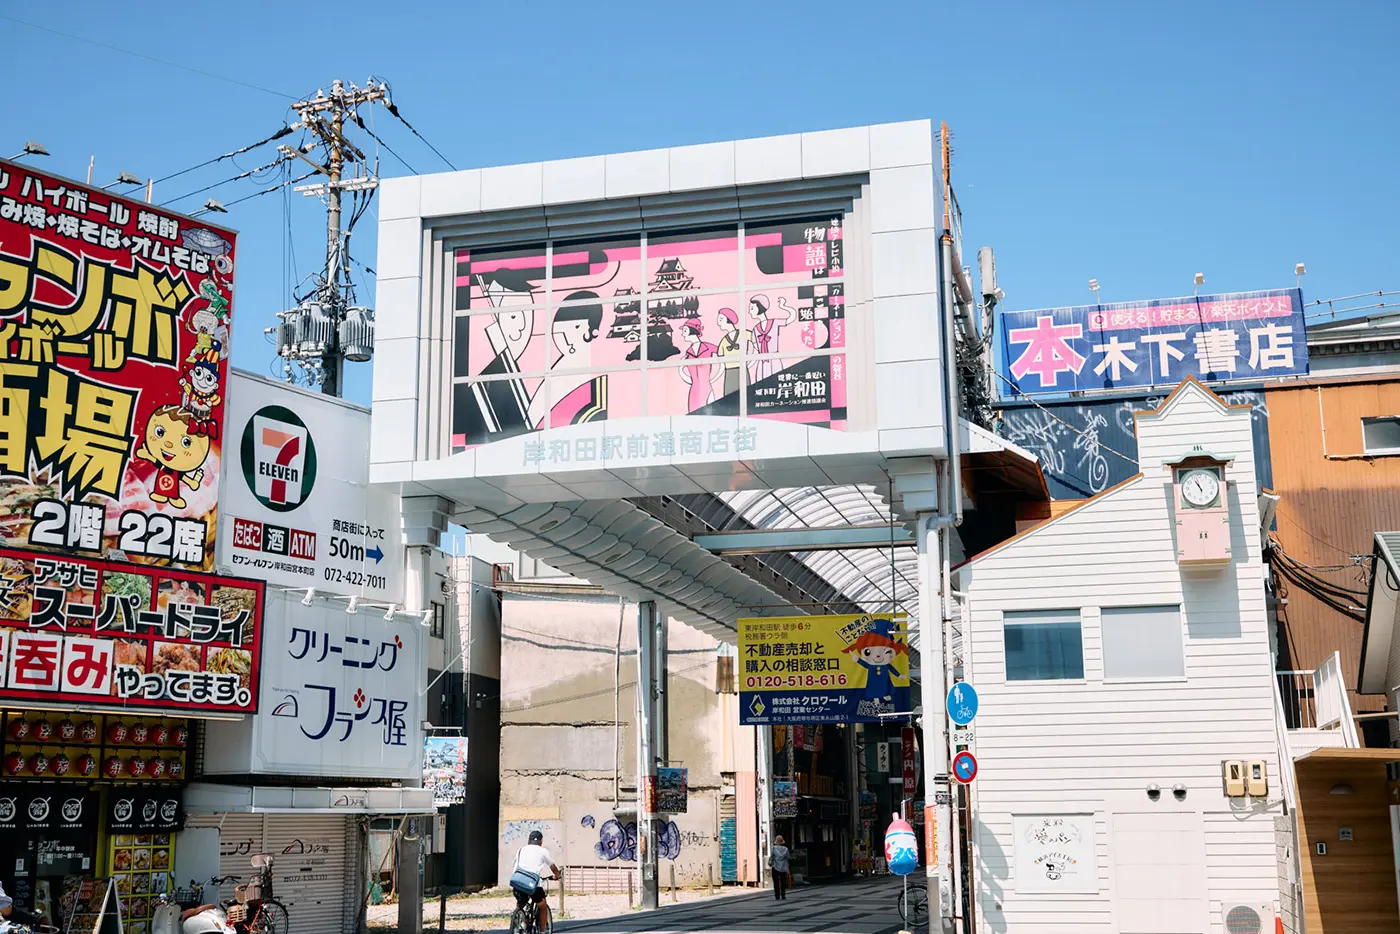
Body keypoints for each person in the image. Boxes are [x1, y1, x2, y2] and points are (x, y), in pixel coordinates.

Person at [512, 830, 560, 931]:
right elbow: (553, 866)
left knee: (520, 903)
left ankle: (518, 921)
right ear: (541, 842)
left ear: (528, 841)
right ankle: (542, 931)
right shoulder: (543, 851)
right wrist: (557, 875)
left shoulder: (520, 850)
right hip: (533, 885)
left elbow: (515, 865)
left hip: (517, 882)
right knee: (542, 906)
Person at [769, 835, 791, 901]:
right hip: (783, 867)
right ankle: (783, 895)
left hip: (775, 867)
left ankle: (777, 895)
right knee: (783, 882)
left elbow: (772, 857)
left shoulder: (774, 848)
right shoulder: (786, 849)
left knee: (776, 882)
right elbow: (788, 857)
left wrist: (770, 862)